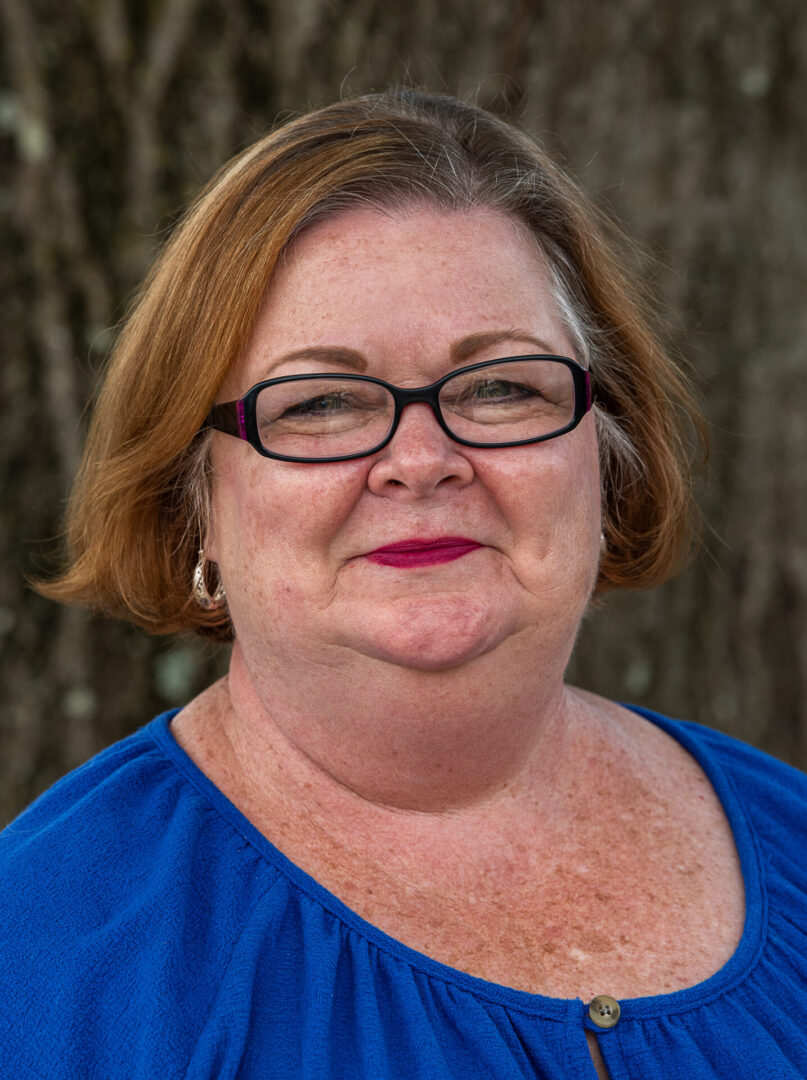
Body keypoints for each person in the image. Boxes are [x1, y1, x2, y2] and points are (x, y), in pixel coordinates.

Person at [2, 88, 805, 1080]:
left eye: (502, 387)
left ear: (610, 451)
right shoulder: (51, 960)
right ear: (195, 498)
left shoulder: (791, 839)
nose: (422, 460)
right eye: (324, 402)